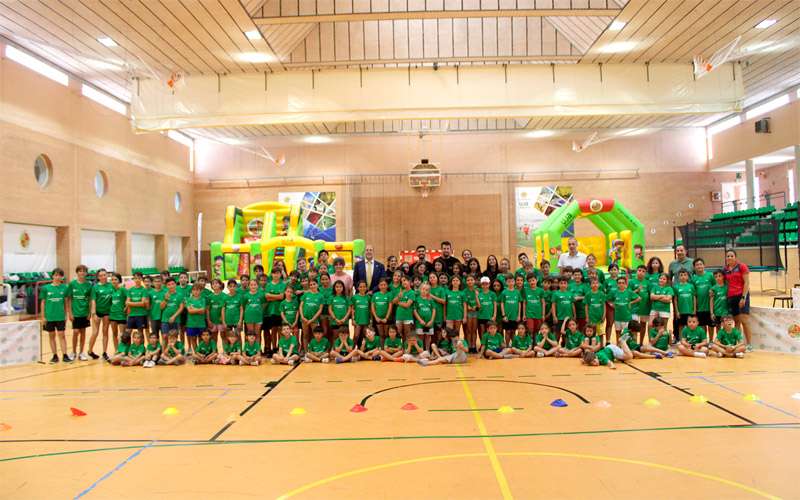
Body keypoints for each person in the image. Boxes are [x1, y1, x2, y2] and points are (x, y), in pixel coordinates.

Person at [723, 249, 752, 351]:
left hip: (741, 296)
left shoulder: (742, 266)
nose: (729, 258)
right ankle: (738, 343)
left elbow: (747, 283)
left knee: (744, 320)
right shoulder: (725, 269)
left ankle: (749, 344)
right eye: (728, 256)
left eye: (731, 256)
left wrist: (743, 297)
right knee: (737, 322)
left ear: (735, 257)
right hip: (731, 297)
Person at [40, 268, 70, 364]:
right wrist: (43, 317)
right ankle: (54, 356)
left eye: (59, 275)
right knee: (51, 336)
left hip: (60, 316)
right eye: (56, 275)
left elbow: (66, 302)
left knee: (62, 335)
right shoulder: (46, 288)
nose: (57, 277)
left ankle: (65, 355)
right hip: (49, 317)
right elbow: (43, 303)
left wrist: (66, 315)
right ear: (52, 276)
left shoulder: (64, 287)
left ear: (62, 277)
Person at [66, 265, 92, 361]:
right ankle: (73, 352)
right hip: (75, 313)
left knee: (83, 333)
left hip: (84, 313)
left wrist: (89, 312)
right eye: (80, 271)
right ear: (77, 272)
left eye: (84, 271)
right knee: (76, 332)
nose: (82, 273)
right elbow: (69, 299)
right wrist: (70, 313)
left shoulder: (89, 285)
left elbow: (90, 300)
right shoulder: (72, 284)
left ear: (86, 273)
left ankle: (81, 352)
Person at [87, 269, 114, 361]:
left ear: (107, 275)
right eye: (101, 275)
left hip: (107, 312)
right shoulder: (95, 287)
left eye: (104, 275)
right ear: (98, 277)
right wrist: (93, 313)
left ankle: (104, 352)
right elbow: (93, 301)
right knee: (95, 333)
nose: (103, 277)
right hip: (97, 312)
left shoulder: (111, 286)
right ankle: (90, 351)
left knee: (105, 332)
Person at [609, 276, 640, 341]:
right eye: (619, 283)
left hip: (626, 317)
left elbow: (639, 298)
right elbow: (607, 299)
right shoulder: (614, 292)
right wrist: (611, 304)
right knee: (618, 332)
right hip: (617, 317)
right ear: (617, 284)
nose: (621, 284)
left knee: (626, 333)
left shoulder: (629, 292)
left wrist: (631, 303)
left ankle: (624, 345)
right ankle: (618, 346)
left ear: (625, 284)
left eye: (623, 283)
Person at [691, 258, 715, 340]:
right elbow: (693, 294)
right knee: (702, 325)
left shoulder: (710, 275)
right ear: (694, 267)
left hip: (710, 306)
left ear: (704, 265)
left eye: (701, 264)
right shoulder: (693, 278)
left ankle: (711, 340)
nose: (699, 266)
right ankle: (705, 340)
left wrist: (713, 291)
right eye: (697, 265)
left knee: (711, 325)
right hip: (700, 306)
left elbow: (715, 286)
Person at [264, 267, 287, 352]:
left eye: (278, 273)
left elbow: (282, 297)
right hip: (272, 311)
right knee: (273, 330)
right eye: (274, 273)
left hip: (281, 310)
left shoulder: (283, 284)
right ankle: (274, 348)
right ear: (271, 274)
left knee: (281, 330)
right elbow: (267, 297)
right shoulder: (268, 284)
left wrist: (271, 296)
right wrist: (277, 297)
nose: (276, 275)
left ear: (280, 274)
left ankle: (280, 347)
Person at [300, 280, 325, 348]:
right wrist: (302, 317)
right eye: (310, 285)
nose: (312, 286)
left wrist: (312, 319)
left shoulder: (320, 296)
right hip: (304, 319)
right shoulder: (306, 294)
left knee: (315, 336)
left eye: (314, 284)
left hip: (314, 320)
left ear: (317, 285)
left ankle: (314, 350)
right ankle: (305, 352)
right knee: (305, 335)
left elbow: (320, 310)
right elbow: (301, 306)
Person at [673, 269, 697, 340]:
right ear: (678, 277)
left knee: (690, 326)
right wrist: (677, 311)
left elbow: (694, 298)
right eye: (681, 275)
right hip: (681, 311)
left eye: (685, 275)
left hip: (690, 311)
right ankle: (681, 340)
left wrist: (694, 310)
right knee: (681, 326)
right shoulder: (676, 287)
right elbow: (675, 300)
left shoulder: (691, 286)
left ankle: (690, 340)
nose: (683, 277)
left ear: (688, 277)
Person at [160, 277, 185, 343]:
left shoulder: (179, 295)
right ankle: (164, 352)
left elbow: (181, 307)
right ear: (166, 286)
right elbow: (161, 307)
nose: (171, 286)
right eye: (169, 284)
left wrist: (173, 317)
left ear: (175, 284)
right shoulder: (164, 294)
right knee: (165, 336)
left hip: (176, 319)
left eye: (172, 284)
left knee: (174, 337)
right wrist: (165, 299)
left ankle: (174, 352)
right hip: (165, 319)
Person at [184, 283, 208, 354]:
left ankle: (201, 353)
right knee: (193, 339)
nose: (196, 291)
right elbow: (190, 311)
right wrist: (198, 310)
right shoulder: (188, 300)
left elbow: (203, 311)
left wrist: (194, 309)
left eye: (197, 290)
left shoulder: (203, 299)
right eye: (194, 290)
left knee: (201, 339)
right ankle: (196, 354)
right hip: (191, 324)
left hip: (201, 323)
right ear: (191, 291)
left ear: (200, 291)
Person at [125, 272, 150, 337]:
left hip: (141, 314)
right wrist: (138, 303)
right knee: (127, 333)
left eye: (139, 278)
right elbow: (127, 302)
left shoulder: (144, 290)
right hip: (131, 314)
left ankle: (141, 347)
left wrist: (131, 303)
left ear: (141, 279)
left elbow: (142, 303)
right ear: (133, 279)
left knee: (140, 333)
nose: (137, 280)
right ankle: (128, 347)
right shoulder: (130, 290)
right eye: (135, 278)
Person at [414, 283, 436, 351]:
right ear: (420, 289)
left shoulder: (430, 300)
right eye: (423, 289)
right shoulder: (417, 299)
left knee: (428, 337)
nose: (424, 291)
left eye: (426, 290)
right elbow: (415, 311)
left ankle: (427, 351)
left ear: (428, 291)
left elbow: (434, 310)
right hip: (420, 322)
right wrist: (420, 320)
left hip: (429, 322)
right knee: (420, 337)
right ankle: (421, 351)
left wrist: (431, 320)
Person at [500, 274, 522, 344]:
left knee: (513, 331)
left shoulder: (517, 292)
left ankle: (513, 345)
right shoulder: (504, 292)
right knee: (507, 331)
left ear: (514, 282)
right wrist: (504, 315)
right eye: (509, 281)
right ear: (506, 282)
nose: (511, 283)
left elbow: (519, 303)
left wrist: (518, 315)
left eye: (512, 281)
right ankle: (507, 346)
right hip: (507, 316)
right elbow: (502, 303)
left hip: (515, 316)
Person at [108, 273, 127, 353]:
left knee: (122, 334)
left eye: (115, 279)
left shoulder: (123, 289)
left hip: (121, 315)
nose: (114, 281)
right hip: (112, 315)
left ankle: (122, 350)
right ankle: (116, 350)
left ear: (119, 280)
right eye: (112, 279)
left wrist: (125, 308)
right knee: (114, 334)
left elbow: (128, 299)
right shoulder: (111, 290)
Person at [584, 279, 606, 343]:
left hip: (599, 318)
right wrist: (587, 317)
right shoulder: (588, 294)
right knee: (591, 333)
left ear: (599, 285)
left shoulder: (601, 294)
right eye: (593, 283)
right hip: (591, 318)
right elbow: (586, 306)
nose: (595, 285)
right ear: (590, 285)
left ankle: (601, 346)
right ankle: (591, 345)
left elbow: (604, 305)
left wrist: (604, 315)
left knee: (601, 334)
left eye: (596, 283)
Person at [709, 270, 729, 341]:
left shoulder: (727, 287)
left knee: (726, 326)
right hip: (717, 312)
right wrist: (712, 313)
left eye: (720, 276)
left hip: (725, 312)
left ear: (723, 276)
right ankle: (719, 340)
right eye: (716, 277)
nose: (718, 278)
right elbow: (711, 301)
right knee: (718, 327)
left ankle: (725, 340)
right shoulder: (713, 288)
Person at [394, 275, 416, 340]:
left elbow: (407, 305)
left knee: (407, 334)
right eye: (402, 281)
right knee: (398, 333)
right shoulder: (401, 291)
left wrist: (398, 302)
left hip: (408, 316)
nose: (403, 282)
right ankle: (400, 349)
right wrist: (398, 297)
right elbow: (393, 301)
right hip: (399, 316)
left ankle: (407, 348)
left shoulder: (412, 292)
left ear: (409, 281)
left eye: (404, 280)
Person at [352, 281, 372, 346]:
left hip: (366, 320)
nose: (362, 288)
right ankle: (352, 350)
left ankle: (363, 350)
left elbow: (370, 309)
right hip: (358, 320)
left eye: (364, 287)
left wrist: (371, 320)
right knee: (356, 336)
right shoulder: (354, 297)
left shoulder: (368, 297)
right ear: (357, 288)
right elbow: (352, 309)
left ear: (366, 288)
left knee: (365, 336)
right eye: (360, 287)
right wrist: (353, 319)